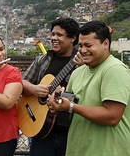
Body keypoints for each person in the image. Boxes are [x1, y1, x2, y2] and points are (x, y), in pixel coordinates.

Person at [47, 20, 130, 156]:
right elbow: (67, 114)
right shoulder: (78, 72)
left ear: (105, 44)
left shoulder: (114, 70)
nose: (83, 50)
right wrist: (57, 103)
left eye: (88, 45)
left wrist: (70, 106)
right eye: (80, 45)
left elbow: (112, 117)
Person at [22, 18, 82, 156]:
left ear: (72, 38)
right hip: (42, 133)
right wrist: (34, 89)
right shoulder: (43, 60)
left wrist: (83, 68)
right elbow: (22, 83)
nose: (54, 38)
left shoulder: (80, 62)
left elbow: (84, 96)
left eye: (59, 35)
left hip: (70, 133)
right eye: (53, 34)